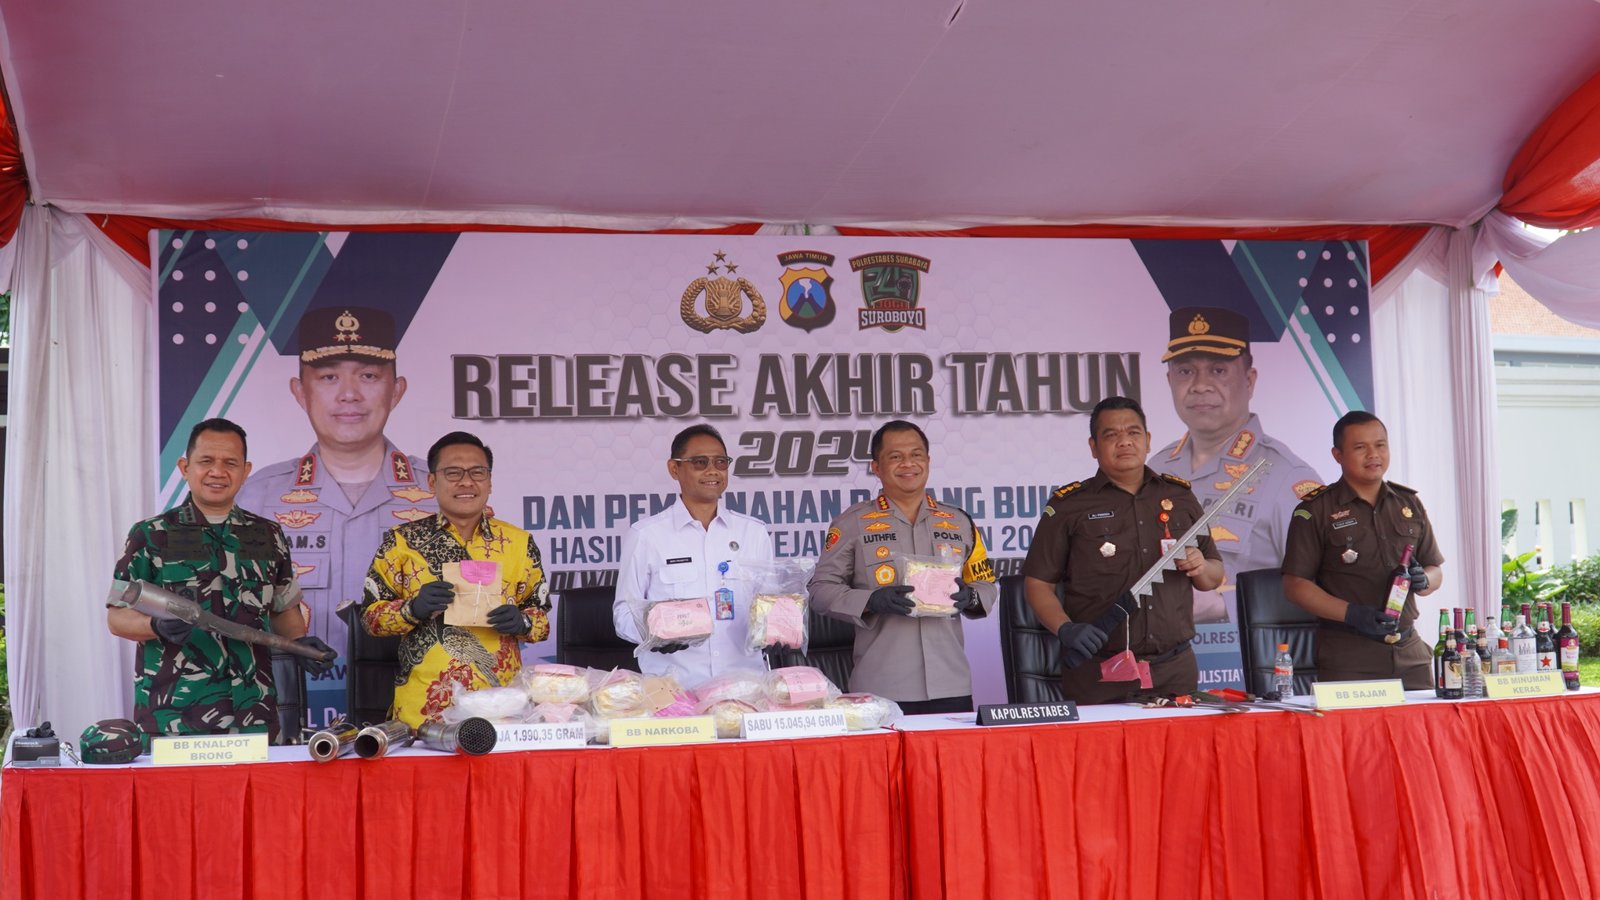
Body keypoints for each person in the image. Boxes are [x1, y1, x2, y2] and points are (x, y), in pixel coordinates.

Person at [235, 306, 435, 721]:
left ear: (396, 390)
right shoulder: (258, 497)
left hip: (416, 703)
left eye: (368, 376)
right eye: (328, 378)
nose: (349, 394)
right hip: (295, 708)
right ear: (299, 391)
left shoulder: (439, 493)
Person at [106, 418, 335, 741]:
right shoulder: (151, 534)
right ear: (185, 468)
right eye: (206, 461)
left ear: (246, 470)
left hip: (253, 710)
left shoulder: (268, 535)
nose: (218, 472)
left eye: (230, 463)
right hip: (173, 715)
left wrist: (299, 644)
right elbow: (117, 618)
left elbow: (283, 610)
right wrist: (155, 626)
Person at [1022, 397, 1224, 703]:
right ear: (1093, 446)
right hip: (1100, 673)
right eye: (1111, 435)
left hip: (1175, 670)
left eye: (1133, 432)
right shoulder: (1069, 506)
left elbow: (1213, 575)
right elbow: (1038, 584)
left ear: (1148, 440)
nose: (1125, 442)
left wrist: (1202, 567)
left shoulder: (1180, 497)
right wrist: (1066, 629)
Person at [359, 431, 551, 728]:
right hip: (424, 712)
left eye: (477, 472)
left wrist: (522, 622)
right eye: (453, 473)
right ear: (432, 482)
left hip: (502, 708)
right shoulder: (402, 542)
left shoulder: (519, 543)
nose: (466, 482)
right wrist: (412, 610)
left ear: (489, 482)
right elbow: (370, 619)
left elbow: (542, 622)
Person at [809, 420, 997, 714]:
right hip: (882, 688)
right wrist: (871, 601)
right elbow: (820, 590)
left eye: (916, 454)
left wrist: (971, 596)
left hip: (951, 684)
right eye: (895, 456)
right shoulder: (851, 524)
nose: (908, 463)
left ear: (928, 461)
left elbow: (986, 584)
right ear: (876, 467)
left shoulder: (960, 522)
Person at [1149, 306, 1323, 623]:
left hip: (1243, 649)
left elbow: (1323, 587)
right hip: (1162, 649)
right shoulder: (1156, 468)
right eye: (1185, 371)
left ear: (1249, 381)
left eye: (1218, 370)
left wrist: (1224, 605)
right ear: (1169, 380)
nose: (1200, 385)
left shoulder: (1287, 477)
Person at [1281, 411, 1442, 689]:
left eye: (1380, 445)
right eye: (1360, 447)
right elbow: (1295, 585)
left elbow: (1435, 568)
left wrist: (1424, 579)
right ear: (1338, 455)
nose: (1373, 454)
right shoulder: (1315, 510)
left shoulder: (1408, 503)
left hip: (1411, 656)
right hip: (1350, 656)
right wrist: (1352, 614)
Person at [612, 425, 776, 683]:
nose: (713, 471)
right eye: (700, 462)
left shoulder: (753, 532)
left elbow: (771, 606)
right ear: (674, 469)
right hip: (674, 688)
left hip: (745, 686)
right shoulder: (646, 535)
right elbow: (623, 614)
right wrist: (653, 632)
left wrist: (778, 627)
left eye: (721, 462)